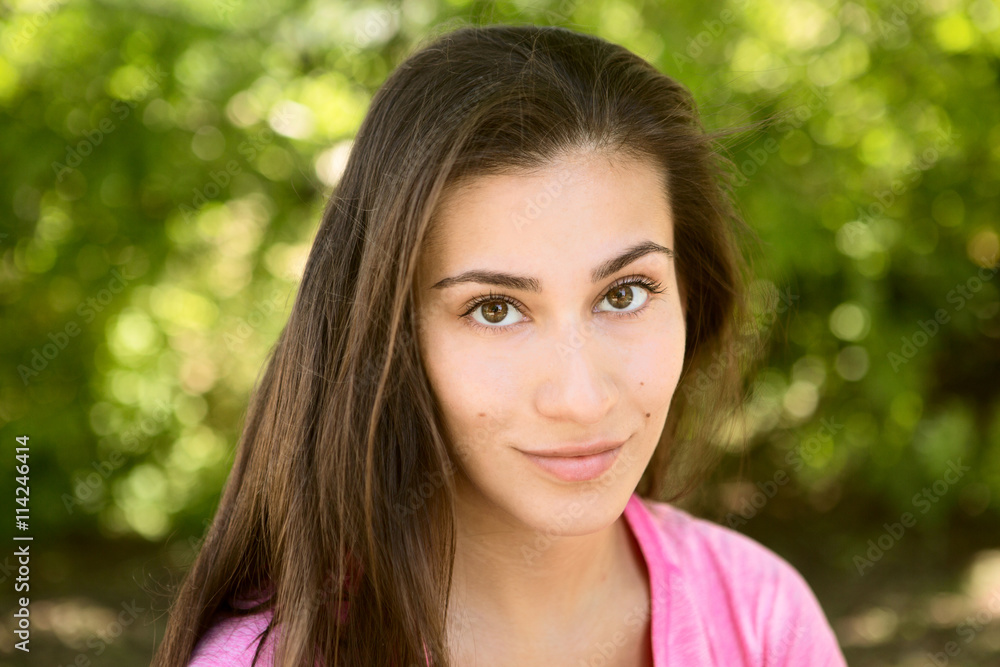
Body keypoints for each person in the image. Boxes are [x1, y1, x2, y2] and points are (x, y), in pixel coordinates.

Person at [152, 23, 849, 667]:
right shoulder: (272, 655)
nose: (580, 398)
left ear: (691, 296)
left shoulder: (761, 616)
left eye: (625, 293)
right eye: (495, 308)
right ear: (394, 338)